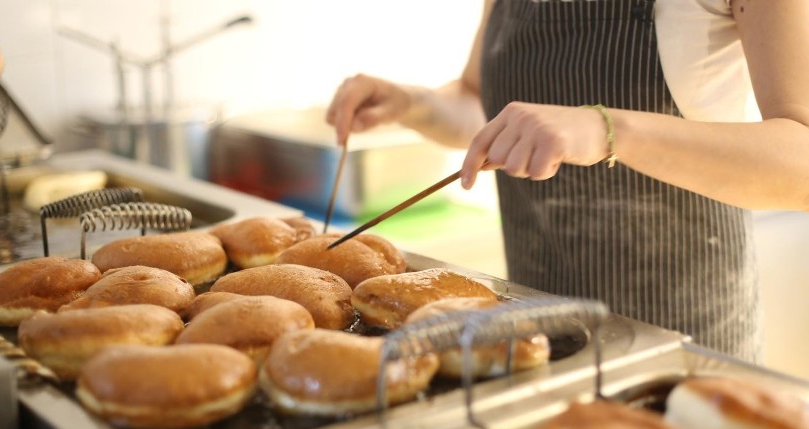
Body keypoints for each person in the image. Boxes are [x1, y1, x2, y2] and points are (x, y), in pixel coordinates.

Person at [325, 0, 809, 364]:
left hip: (679, 343)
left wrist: (606, 129)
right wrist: (413, 105)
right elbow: (482, 104)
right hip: (537, 337)